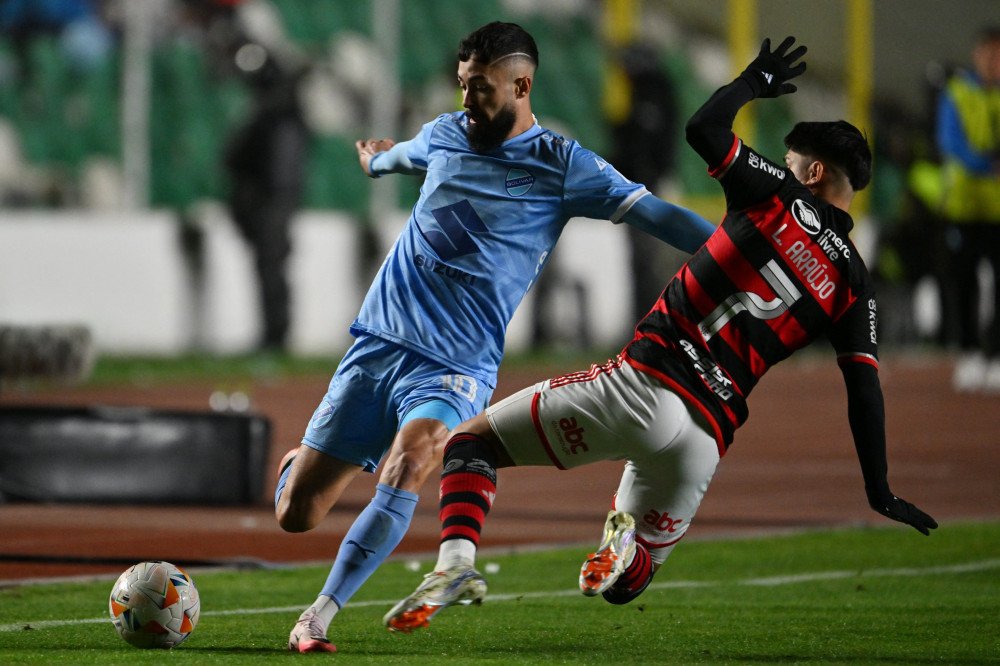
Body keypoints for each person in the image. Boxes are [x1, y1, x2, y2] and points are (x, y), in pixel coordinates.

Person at [383, 36, 938, 633]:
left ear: (815, 172)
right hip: (707, 436)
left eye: (793, 160)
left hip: (646, 382)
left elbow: (705, 126)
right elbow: (865, 392)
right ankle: (624, 541)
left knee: (470, 444)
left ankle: (458, 562)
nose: (787, 168)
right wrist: (878, 486)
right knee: (629, 583)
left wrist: (754, 80)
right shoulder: (855, 281)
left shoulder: (778, 195)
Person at [274, 21, 716, 653]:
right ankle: (297, 467)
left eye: (480, 88)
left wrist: (738, 253)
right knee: (298, 514)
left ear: (521, 84)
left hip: (455, 365)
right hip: (378, 345)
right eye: (462, 85)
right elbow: (403, 154)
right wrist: (376, 161)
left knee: (413, 459)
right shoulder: (447, 134)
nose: (466, 100)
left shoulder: (562, 165)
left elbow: (655, 213)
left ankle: (317, 616)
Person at [936, 26, 1000, 392]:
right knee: (964, 283)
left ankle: (996, 354)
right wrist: (985, 165)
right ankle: (970, 352)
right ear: (978, 55)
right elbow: (950, 141)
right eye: (990, 54)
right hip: (963, 206)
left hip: (998, 210)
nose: (995, 62)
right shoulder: (958, 92)